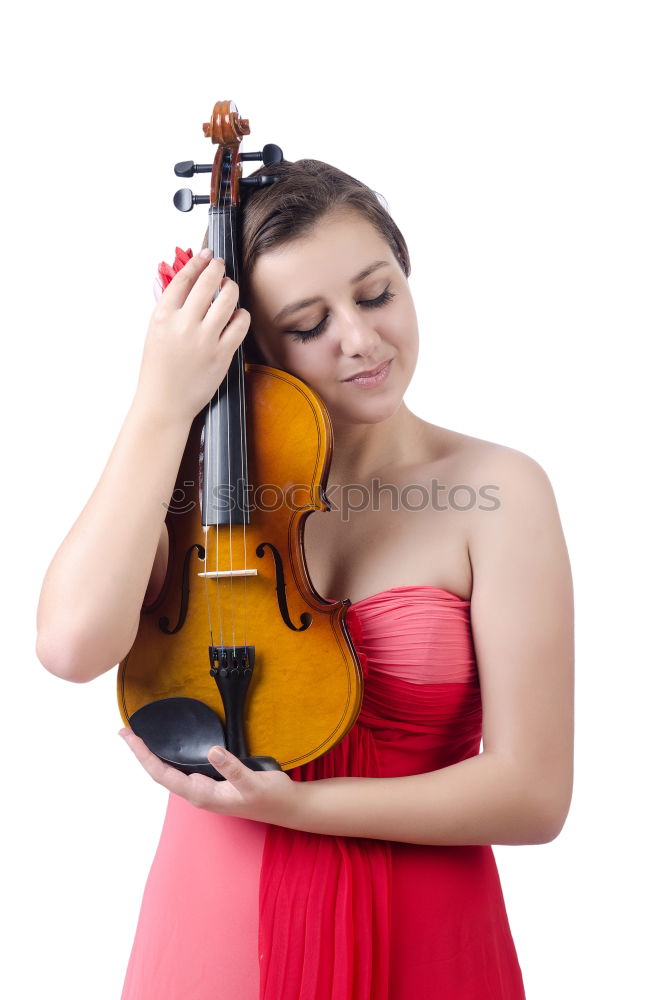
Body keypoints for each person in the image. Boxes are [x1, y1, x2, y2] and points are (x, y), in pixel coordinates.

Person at [36, 158, 574, 999]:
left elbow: (532, 795)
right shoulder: (189, 485)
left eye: (374, 294)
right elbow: (71, 646)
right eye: (307, 322)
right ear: (251, 339)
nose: (358, 339)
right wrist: (161, 404)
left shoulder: (500, 490)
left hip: (428, 934)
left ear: (407, 277)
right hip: (217, 929)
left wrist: (298, 810)